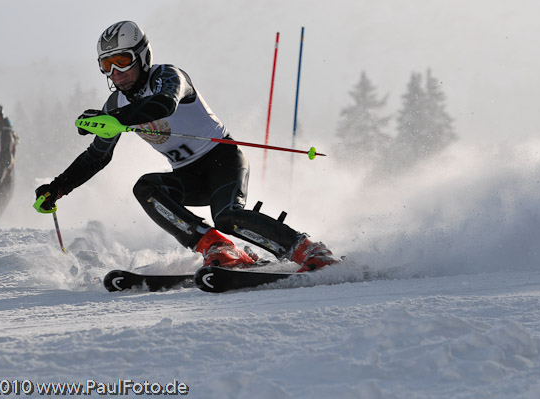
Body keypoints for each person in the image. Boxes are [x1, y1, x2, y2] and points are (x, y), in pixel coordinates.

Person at [35, 20, 338, 272]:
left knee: (228, 216)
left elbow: (164, 105)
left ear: (142, 56)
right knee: (146, 187)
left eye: (123, 61)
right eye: (106, 64)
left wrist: (114, 118)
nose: (116, 73)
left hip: (223, 161)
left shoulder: (169, 76)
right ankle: (218, 247)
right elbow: (96, 157)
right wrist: (58, 187)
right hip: (188, 176)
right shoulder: (115, 104)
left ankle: (308, 249)